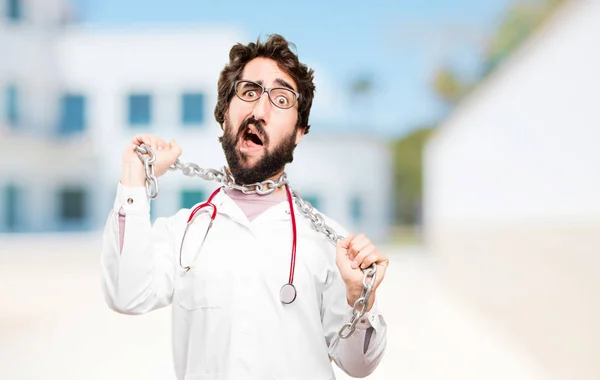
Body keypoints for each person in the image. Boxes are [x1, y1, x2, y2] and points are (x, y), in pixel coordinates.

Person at [101, 34, 389, 380]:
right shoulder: (182, 232)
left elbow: (359, 365)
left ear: (299, 131)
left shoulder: (333, 243)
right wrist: (134, 177)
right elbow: (125, 294)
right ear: (224, 114)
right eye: (249, 92)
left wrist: (360, 297)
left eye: (281, 98)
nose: (259, 110)